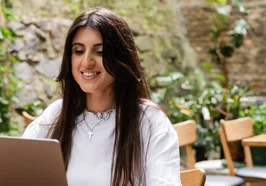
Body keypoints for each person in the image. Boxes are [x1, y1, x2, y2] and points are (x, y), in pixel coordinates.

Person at [22, 7, 181, 186]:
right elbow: (16, 168)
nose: (87, 62)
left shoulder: (150, 121)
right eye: (79, 51)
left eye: (100, 52)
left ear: (121, 59)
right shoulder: (57, 113)